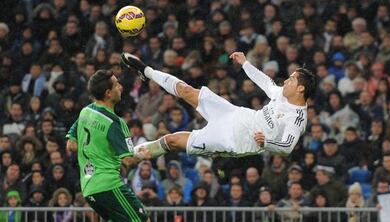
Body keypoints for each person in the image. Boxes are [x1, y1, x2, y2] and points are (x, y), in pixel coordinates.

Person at [121, 51, 316, 159]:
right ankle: (146, 71)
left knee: (172, 141)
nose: (287, 81)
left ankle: (130, 156)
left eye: (292, 79)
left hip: (236, 140)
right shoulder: (282, 94)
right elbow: (267, 83)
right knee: (188, 91)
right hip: (236, 114)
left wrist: (267, 143)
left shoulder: (297, 118)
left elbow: (287, 146)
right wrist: (245, 63)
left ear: (300, 89)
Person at [65, 70, 149, 222]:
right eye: (117, 85)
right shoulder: (115, 123)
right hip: (109, 185)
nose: (121, 87)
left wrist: (97, 151)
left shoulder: (85, 112)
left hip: (89, 188)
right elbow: (128, 160)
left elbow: (71, 145)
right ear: (108, 93)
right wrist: (147, 153)